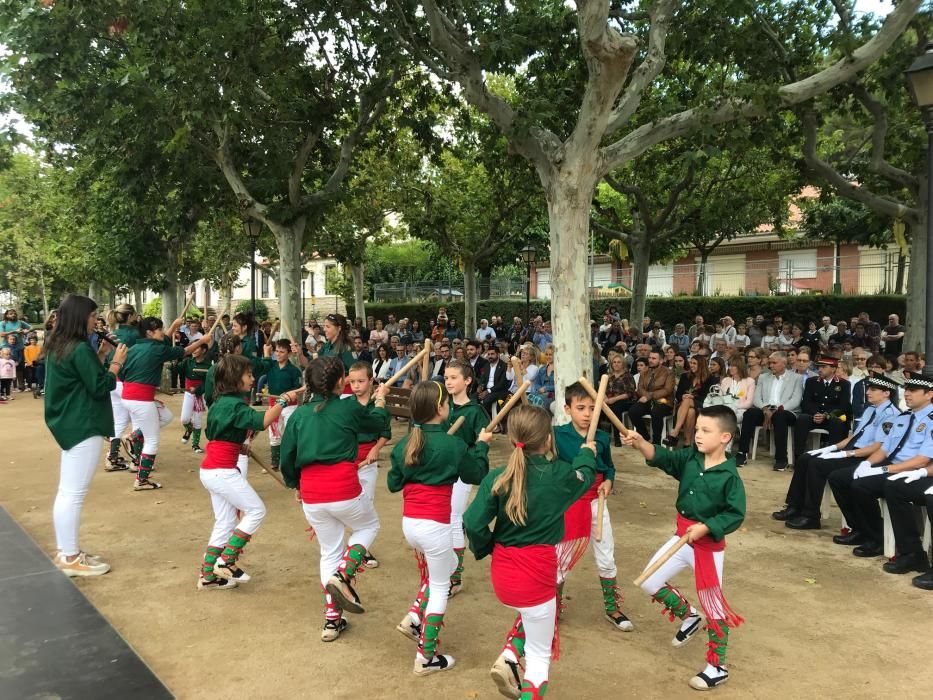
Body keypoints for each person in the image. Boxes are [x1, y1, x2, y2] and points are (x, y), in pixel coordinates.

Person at [464, 404, 597, 700]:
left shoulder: (498, 477)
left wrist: (488, 546)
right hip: (537, 576)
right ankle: (516, 662)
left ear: (513, 439)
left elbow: (472, 523)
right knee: (539, 657)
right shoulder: (560, 475)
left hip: (503, 575)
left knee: (530, 617)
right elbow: (585, 477)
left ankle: (511, 654)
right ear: (549, 439)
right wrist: (587, 453)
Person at [622, 405, 746, 691]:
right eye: (697, 429)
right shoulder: (691, 457)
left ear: (725, 437)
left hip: (707, 547)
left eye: (706, 430)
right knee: (650, 580)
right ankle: (690, 616)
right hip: (680, 538)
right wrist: (641, 443)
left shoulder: (730, 476)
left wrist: (706, 526)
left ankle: (718, 666)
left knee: (715, 607)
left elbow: (734, 514)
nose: (698, 435)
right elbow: (664, 458)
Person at [280, 357, 391, 641]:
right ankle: (343, 575)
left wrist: (295, 484)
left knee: (329, 551)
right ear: (340, 381)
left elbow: (287, 458)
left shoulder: (299, 415)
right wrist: (379, 402)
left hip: (312, 493)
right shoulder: (348, 406)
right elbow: (377, 422)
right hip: (343, 486)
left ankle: (332, 620)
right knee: (367, 527)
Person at [389, 381, 491, 675]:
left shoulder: (406, 443)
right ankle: (426, 656)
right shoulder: (454, 444)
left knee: (445, 567)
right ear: (440, 407)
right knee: (440, 585)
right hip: (434, 524)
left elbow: (394, 483)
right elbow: (476, 472)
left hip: (410, 523)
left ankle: (414, 618)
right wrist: (481, 445)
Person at [197, 355, 298, 591]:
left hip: (212, 469)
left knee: (225, 521)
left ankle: (208, 575)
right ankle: (227, 561)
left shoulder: (218, 402)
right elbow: (262, 421)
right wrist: (282, 402)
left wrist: (236, 444)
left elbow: (216, 435)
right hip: (221, 471)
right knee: (256, 511)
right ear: (235, 378)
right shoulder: (235, 404)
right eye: (249, 375)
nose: (253, 379)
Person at [43, 295, 128, 576]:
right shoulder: (78, 348)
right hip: (83, 423)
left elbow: (83, 377)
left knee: (68, 491)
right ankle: (69, 557)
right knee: (73, 493)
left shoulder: (61, 344)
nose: (97, 321)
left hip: (71, 422)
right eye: (93, 316)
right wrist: (115, 363)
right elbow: (99, 385)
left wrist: (101, 355)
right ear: (81, 317)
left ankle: (69, 551)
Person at [554, 383, 634, 633]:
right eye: (580, 408)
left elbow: (608, 466)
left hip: (597, 501)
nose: (587, 414)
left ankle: (612, 608)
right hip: (568, 503)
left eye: (592, 408)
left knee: (606, 553)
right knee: (560, 557)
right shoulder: (556, 435)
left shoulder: (600, 437)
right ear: (567, 409)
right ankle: (553, 608)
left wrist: (609, 481)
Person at [774, 373, 900, 531]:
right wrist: (831, 448)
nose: (868, 392)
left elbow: (878, 447)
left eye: (873, 389)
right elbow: (855, 437)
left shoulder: (891, 415)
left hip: (866, 456)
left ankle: (811, 515)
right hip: (853, 450)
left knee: (817, 465)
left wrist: (846, 454)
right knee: (806, 458)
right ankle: (794, 506)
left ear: (887, 393)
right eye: (868, 388)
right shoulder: (870, 410)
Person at [827, 376, 933, 561]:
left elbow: (921, 460)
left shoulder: (930, 420)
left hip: (910, 469)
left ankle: (880, 539)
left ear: (929, 394)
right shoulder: (905, 417)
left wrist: (883, 470)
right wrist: (867, 464)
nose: (906, 394)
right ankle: (862, 529)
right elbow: (884, 449)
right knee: (840, 477)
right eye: (906, 389)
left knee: (863, 486)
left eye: (913, 390)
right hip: (893, 464)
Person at [121, 316, 211, 490]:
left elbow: (125, 373)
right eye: (160, 330)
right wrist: (202, 341)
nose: (163, 332)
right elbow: (183, 352)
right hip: (141, 399)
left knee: (166, 416)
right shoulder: (156, 349)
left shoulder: (135, 348)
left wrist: (174, 326)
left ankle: (134, 437)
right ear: (149, 332)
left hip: (129, 396)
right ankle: (141, 480)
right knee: (152, 440)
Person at [443, 360, 491, 596]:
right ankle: (444, 567)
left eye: (453, 377)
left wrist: (469, 453)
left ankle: (455, 576)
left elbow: (481, 443)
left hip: (462, 473)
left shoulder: (475, 411)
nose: (448, 382)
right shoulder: (443, 407)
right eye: (446, 377)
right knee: (440, 518)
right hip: (441, 471)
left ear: (468, 381)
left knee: (453, 518)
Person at [347, 361, 391, 568]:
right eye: (352, 381)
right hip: (348, 461)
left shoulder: (378, 405)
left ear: (371, 380)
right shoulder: (345, 404)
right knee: (346, 504)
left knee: (366, 504)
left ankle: (361, 549)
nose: (356, 386)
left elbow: (385, 433)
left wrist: (376, 448)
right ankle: (347, 547)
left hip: (368, 463)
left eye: (361, 381)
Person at [733, 352, 803, 470]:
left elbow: (795, 400)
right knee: (749, 413)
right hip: (765, 409)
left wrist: (777, 410)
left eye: (774, 363)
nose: (771, 365)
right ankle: (742, 453)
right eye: (770, 363)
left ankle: (781, 458)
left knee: (779, 416)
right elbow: (756, 398)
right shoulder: (763, 377)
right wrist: (765, 409)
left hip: (786, 410)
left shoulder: (796, 378)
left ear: (784, 363)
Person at [257, 338, 307, 470]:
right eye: (277, 351)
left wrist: (288, 396)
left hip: (290, 405)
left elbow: (297, 390)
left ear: (289, 354)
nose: (278, 354)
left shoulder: (294, 370)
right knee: (274, 433)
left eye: (282, 352)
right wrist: (266, 354)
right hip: (274, 404)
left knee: (290, 432)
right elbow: (261, 367)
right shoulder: (271, 365)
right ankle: (275, 462)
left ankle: (291, 461)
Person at [791, 355, 851, 462]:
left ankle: (832, 460)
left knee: (837, 422)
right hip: (815, 416)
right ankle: (799, 458)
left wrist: (826, 415)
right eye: (819, 367)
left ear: (833, 369)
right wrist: (815, 414)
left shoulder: (844, 384)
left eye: (824, 367)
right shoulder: (811, 381)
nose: (820, 369)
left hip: (831, 418)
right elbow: (806, 403)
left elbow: (843, 407)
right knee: (802, 419)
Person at [664, 356, 715, 447]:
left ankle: (675, 432)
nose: (691, 365)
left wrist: (692, 397)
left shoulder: (710, 378)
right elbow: (678, 395)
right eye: (691, 363)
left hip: (701, 404)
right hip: (684, 406)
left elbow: (708, 397)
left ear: (701, 365)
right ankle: (688, 444)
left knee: (688, 400)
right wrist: (683, 396)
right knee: (690, 412)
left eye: (694, 363)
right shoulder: (685, 376)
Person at [628, 349, 675, 443]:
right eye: (649, 357)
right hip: (647, 401)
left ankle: (656, 442)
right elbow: (640, 388)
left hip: (664, 401)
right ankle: (645, 437)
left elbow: (667, 390)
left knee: (656, 412)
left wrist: (649, 396)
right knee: (633, 411)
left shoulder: (668, 373)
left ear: (661, 360)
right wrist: (646, 397)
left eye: (654, 358)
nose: (650, 360)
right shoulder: (645, 371)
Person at [178, 341, 213, 454]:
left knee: (198, 420)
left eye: (197, 348)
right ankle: (189, 428)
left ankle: (195, 444)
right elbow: (177, 370)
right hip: (188, 393)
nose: (193, 350)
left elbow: (209, 382)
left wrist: (198, 390)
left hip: (201, 395)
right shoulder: (187, 362)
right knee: (184, 419)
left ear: (203, 350)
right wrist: (174, 363)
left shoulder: (209, 365)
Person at [604, 353, 636, 446]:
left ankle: (617, 437)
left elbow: (629, 393)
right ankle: (602, 436)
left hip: (625, 400)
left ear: (623, 364)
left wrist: (614, 399)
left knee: (615, 408)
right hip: (609, 400)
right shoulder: (609, 376)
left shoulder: (627, 376)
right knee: (597, 408)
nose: (616, 364)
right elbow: (603, 390)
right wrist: (605, 399)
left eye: (619, 362)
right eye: (614, 362)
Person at [718, 356, 755, 425]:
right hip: (724, 409)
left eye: (732, 366)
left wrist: (734, 406)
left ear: (740, 367)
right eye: (729, 366)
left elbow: (749, 403)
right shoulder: (726, 380)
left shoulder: (750, 381)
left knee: (726, 417)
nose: (729, 368)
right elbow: (720, 398)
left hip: (740, 410)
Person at [477, 346, 510, 420]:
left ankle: (490, 422)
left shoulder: (504, 366)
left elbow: (502, 383)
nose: (490, 356)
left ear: (498, 355)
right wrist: (480, 386)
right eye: (488, 354)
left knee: (486, 400)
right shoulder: (486, 366)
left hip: (499, 391)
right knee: (473, 398)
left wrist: (487, 392)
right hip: (486, 389)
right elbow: (482, 379)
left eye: (492, 354)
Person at [530, 345, 555, 410]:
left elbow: (559, 386)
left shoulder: (559, 370)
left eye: (550, 355)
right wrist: (540, 389)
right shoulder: (542, 369)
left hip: (552, 394)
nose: (548, 356)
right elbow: (536, 383)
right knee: (530, 397)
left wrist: (546, 388)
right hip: (541, 392)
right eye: (546, 354)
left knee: (540, 399)